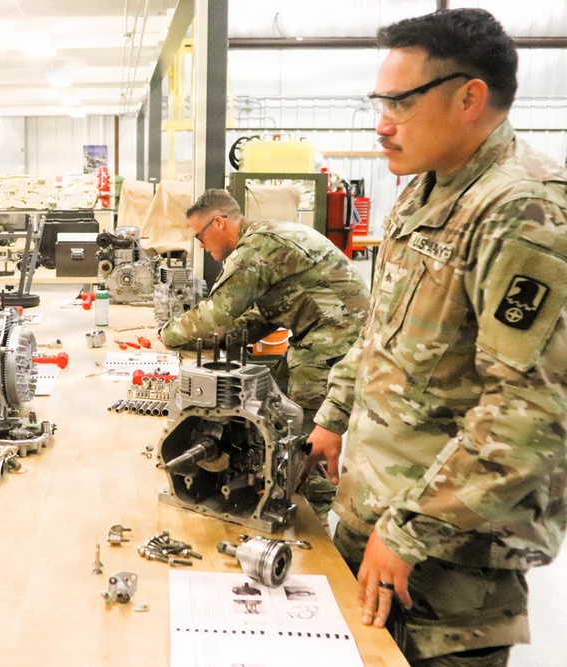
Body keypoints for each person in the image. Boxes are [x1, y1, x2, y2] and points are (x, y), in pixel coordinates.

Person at [306, 9, 567, 666]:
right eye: (379, 101)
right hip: (375, 527)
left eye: (400, 101)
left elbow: (529, 416)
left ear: (469, 98)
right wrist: (334, 416)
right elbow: (382, 329)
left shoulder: (524, 210)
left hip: (448, 572)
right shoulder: (426, 190)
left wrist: (412, 527)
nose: (382, 121)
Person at [159, 187, 371, 435]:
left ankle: (309, 473)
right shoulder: (266, 235)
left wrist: (167, 334)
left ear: (218, 223)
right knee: (271, 397)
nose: (202, 246)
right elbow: (267, 313)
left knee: (300, 434)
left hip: (334, 342)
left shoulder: (257, 247)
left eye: (200, 237)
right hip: (336, 335)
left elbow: (214, 315)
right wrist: (224, 338)